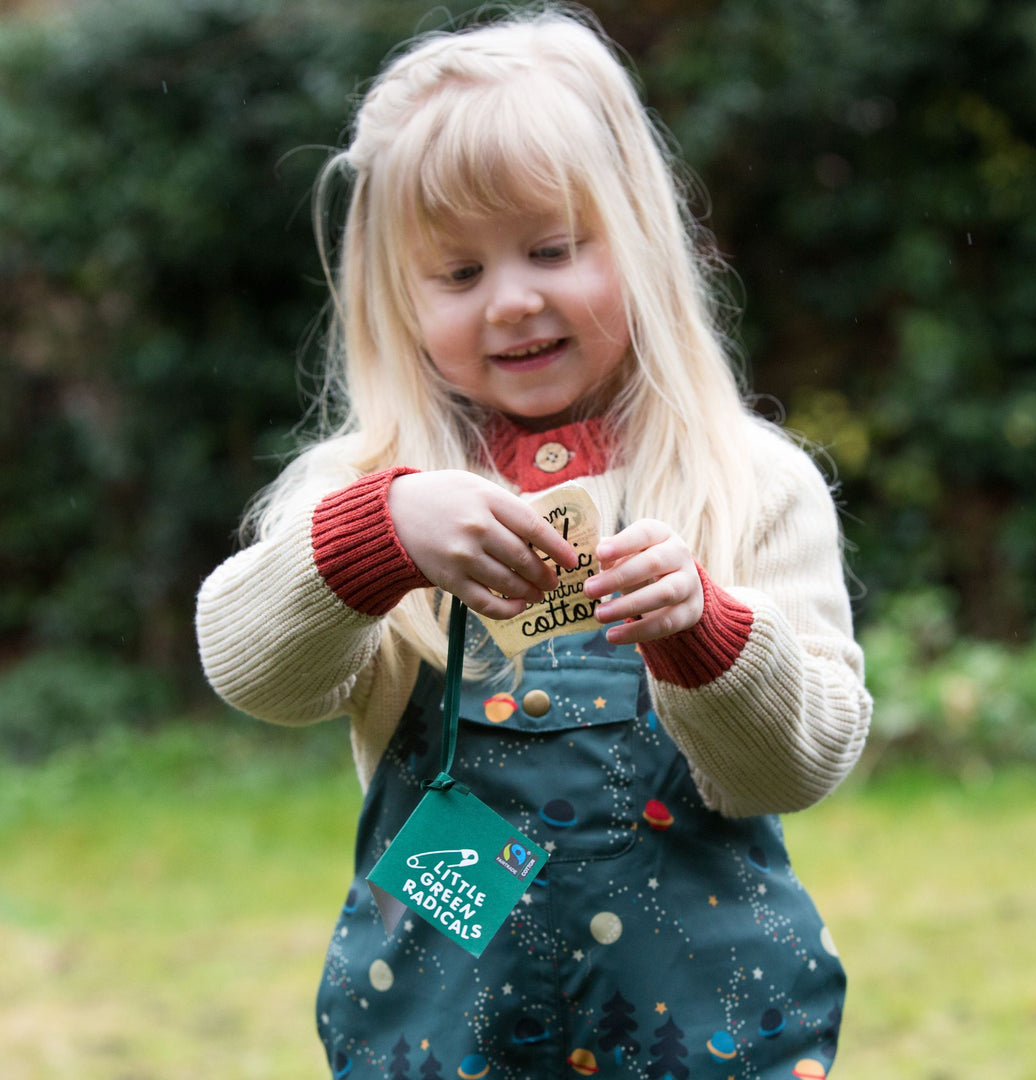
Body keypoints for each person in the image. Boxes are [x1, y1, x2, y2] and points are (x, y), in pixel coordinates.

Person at [195, 6, 872, 1077]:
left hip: (708, 1032)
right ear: (397, 296)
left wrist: (706, 631)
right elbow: (251, 673)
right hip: (442, 1022)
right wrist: (373, 542)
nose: (513, 301)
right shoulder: (365, 488)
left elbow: (804, 760)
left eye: (553, 249)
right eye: (458, 275)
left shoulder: (748, 483)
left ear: (641, 239)